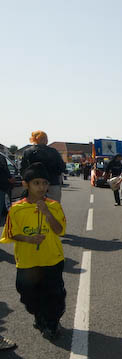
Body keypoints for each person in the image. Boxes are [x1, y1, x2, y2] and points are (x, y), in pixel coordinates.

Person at [0, 163, 67, 340]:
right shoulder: (16, 209)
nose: (42, 187)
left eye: (45, 183)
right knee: (28, 296)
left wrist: (47, 214)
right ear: (26, 184)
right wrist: (28, 239)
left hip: (52, 259)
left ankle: (52, 324)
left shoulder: (54, 206)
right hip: (27, 262)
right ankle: (39, 315)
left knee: (55, 295)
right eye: (36, 183)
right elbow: (10, 233)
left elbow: (60, 230)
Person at [20, 131, 66, 202]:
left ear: (34, 139)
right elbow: (62, 167)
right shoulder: (54, 151)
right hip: (52, 183)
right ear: (46, 140)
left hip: (34, 185)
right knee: (53, 208)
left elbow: (23, 170)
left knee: (33, 208)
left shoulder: (28, 152)